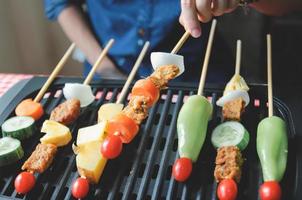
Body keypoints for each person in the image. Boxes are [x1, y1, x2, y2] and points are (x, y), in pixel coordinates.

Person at [44, 0, 302, 82]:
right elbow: (60, 3)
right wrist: (104, 69)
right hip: (105, 65)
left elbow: (288, 5)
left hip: (197, 67)